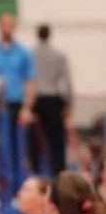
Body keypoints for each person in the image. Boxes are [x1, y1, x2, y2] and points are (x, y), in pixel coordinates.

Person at [0, 12, 37, 195]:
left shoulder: (24, 53)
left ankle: (18, 191)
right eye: (4, 23)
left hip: (16, 105)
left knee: (18, 149)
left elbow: (31, 81)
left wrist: (27, 108)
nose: (7, 27)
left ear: (15, 26)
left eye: (11, 23)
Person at [32, 24, 74, 176]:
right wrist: (69, 105)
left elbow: (27, 80)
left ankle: (34, 170)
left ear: (37, 35)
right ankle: (59, 172)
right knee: (56, 140)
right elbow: (66, 81)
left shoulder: (30, 54)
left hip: (35, 100)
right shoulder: (59, 55)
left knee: (34, 139)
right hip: (53, 100)